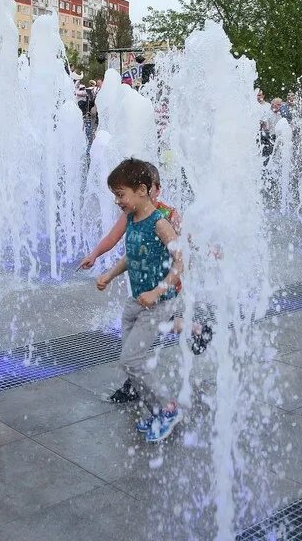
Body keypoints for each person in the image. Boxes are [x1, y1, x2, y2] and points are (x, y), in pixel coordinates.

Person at [96, 158, 184, 443]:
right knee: (131, 362)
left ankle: (168, 409)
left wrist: (158, 291)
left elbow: (181, 260)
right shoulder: (133, 220)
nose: (117, 201)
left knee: (131, 360)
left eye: (120, 194)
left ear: (143, 190)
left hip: (158, 303)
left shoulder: (159, 224)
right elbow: (131, 257)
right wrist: (109, 275)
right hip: (136, 303)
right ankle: (157, 411)